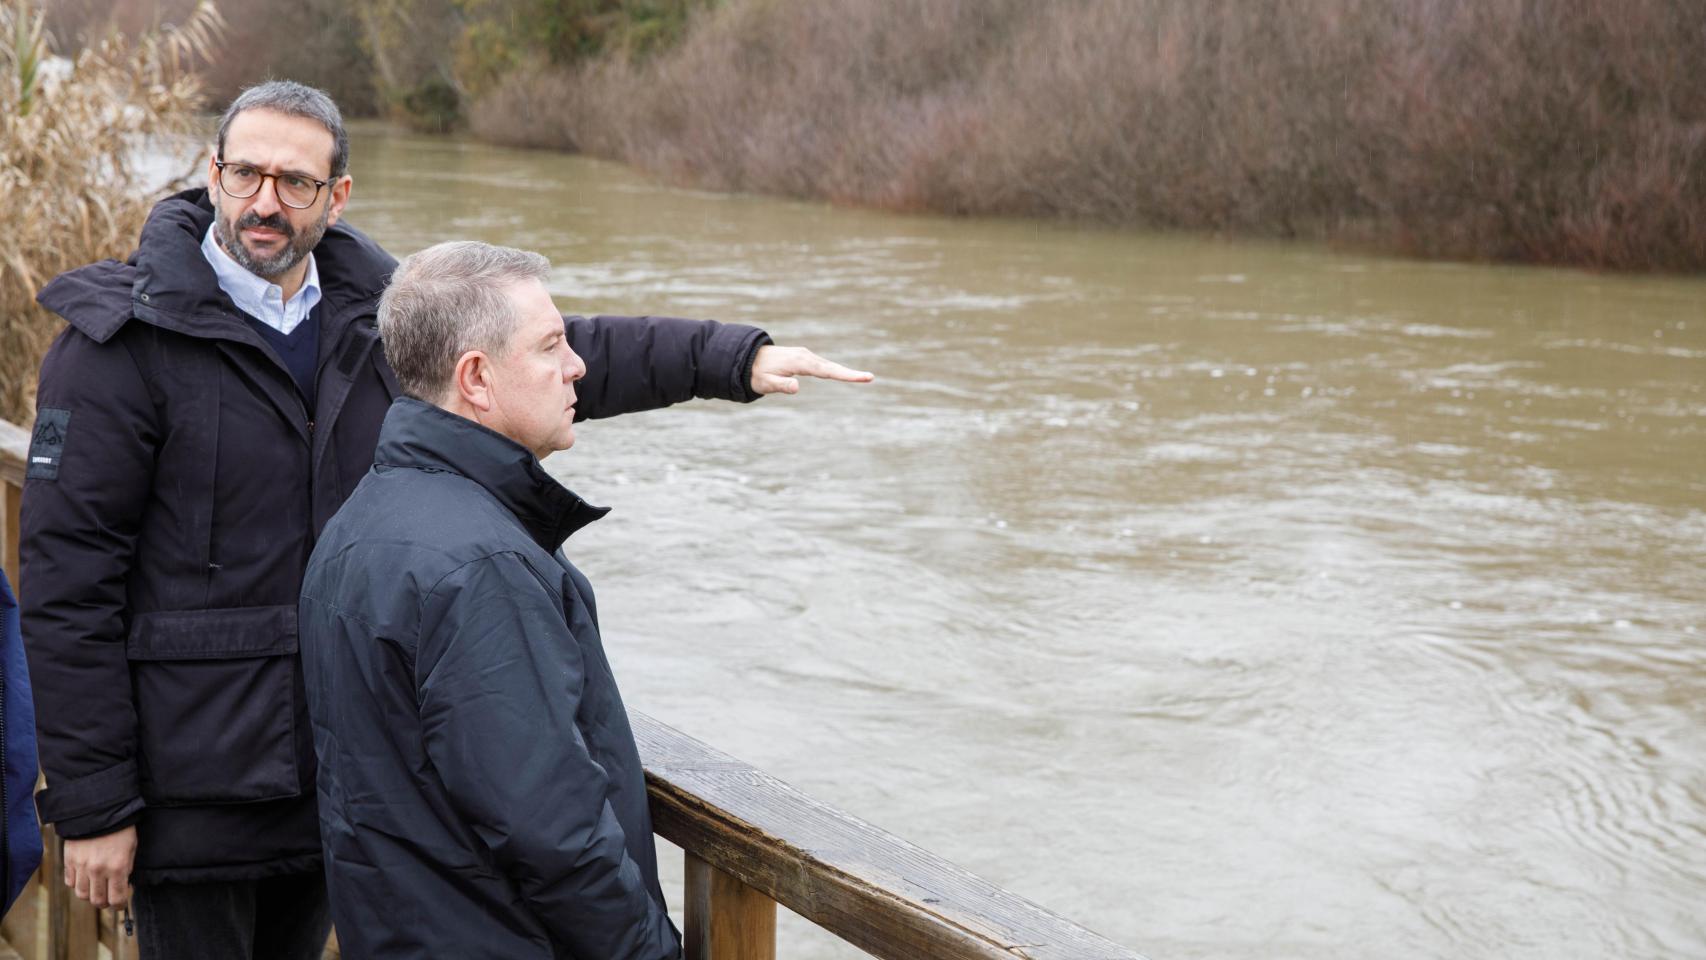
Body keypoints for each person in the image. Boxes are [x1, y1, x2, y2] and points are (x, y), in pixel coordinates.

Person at [21, 80, 869, 959]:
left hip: (338, 777)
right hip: (193, 789)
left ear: (338, 195)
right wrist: (95, 802)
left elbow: (538, 358)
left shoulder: (376, 316)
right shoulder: (117, 346)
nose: (265, 201)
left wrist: (732, 359)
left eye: (296, 182)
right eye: (246, 174)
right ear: (212, 172)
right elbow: (67, 587)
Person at [302, 240, 709, 958]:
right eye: (551, 346)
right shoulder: (480, 565)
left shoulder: (364, 518)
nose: (577, 366)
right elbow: (550, 830)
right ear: (477, 379)